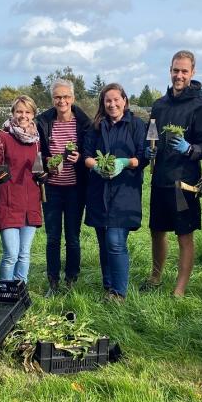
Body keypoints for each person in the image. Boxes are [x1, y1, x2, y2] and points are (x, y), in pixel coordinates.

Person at [142, 50, 202, 298]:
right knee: (157, 230)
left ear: (192, 72)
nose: (179, 75)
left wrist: (190, 149)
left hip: (184, 182)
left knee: (184, 233)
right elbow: (150, 134)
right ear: (170, 70)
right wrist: (148, 149)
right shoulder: (159, 105)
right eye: (175, 70)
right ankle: (155, 276)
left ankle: (180, 289)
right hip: (160, 178)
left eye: (184, 71)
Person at [83, 83, 148, 301]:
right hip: (99, 190)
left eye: (116, 100)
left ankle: (119, 292)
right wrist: (97, 166)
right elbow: (87, 155)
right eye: (107, 101)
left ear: (124, 100)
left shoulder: (137, 126)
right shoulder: (96, 127)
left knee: (115, 240)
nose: (112, 104)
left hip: (125, 191)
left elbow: (143, 156)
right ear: (103, 103)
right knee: (103, 240)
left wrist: (124, 162)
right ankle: (108, 285)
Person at [35, 79, 93, 296]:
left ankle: (71, 278)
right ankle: (52, 280)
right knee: (52, 237)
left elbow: (89, 151)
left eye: (66, 97)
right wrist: (48, 162)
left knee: (73, 236)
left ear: (73, 98)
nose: (62, 101)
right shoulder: (44, 121)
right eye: (58, 97)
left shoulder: (83, 123)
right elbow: (38, 152)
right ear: (53, 99)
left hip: (75, 188)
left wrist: (80, 158)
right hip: (51, 187)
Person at [0, 95, 43, 282]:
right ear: (13, 113)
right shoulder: (2, 137)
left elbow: (39, 168)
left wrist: (44, 174)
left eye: (27, 112)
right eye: (19, 111)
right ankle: (4, 292)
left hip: (30, 204)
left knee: (24, 254)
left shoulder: (36, 140)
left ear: (33, 114)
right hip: (8, 203)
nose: (23, 115)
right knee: (11, 254)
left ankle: (20, 291)